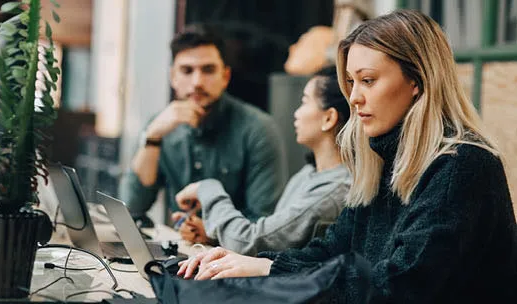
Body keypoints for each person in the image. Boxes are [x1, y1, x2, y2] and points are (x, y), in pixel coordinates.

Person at [176, 10, 517, 303]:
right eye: (351, 82)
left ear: (418, 81)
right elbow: (331, 253)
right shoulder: (385, 161)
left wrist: (264, 270)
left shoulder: (463, 166)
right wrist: (248, 263)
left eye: (367, 80)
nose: (353, 98)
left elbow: (398, 288)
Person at [118, 24, 288, 226]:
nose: (197, 82)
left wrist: (210, 232)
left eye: (208, 70)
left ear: (225, 77)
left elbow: (264, 221)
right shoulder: (161, 126)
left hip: (235, 254)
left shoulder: (258, 130)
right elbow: (131, 207)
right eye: (187, 70)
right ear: (173, 77)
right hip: (180, 251)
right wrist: (152, 137)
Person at [172, 67, 352, 255]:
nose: (296, 113)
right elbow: (270, 239)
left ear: (329, 117)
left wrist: (207, 189)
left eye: (304, 102)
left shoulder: (332, 192)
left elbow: (249, 243)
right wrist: (213, 235)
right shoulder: (308, 174)